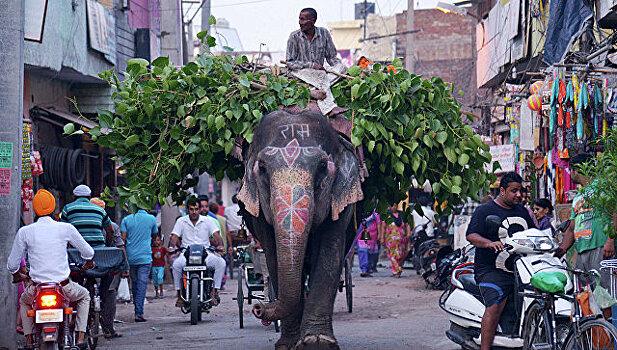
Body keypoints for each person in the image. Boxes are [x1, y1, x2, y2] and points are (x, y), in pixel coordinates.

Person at [7, 189, 95, 349]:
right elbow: (88, 252)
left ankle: (28, 342)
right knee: (85, 296)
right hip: (63, 287)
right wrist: (88, 262)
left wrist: (17, 274)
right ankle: (81, 339)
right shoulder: (66, 228)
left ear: (35, 209)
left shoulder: (25, 232)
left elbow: (12, 265)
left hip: (36, 289)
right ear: (54, 209)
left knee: (24, 302)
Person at [465, 172, 536, 350]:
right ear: (502, 191)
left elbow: (534, 234)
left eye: (520, 191)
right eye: (514, 191)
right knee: (496, 303)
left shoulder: (522, 211)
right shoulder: (485, 210)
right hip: (491, 270)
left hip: (521, 270)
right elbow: (471, 235)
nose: (519, 195)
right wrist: (489, 243)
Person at [555, 153, 615, 290]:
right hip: (583, 249)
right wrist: (562, 249)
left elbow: (614, 212)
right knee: (586, 296)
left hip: (601, 247)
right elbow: (572, 227)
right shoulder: (579, 196)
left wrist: (610, 241)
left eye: (570, 170)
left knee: (605, 294)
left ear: (575, 170)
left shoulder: (603, 187)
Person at [170, 196, 226, 307]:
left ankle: (214, 292)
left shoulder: (208, 221)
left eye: (196, 209)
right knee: (176, 265)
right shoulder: (181, 221)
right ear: (187, 210)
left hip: (205, 252)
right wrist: (172, 247)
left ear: (199, 209)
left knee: (221, 263)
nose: (194, 212)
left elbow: (216, 235)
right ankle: (179, 295)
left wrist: (220, 245)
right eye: (191, 209)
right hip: (186, 252)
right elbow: (174, 237)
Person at [90, 197, 127, 339]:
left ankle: (107, 327)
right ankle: (105, 328)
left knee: (109, 294)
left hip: (102, 266)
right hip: (97, 265)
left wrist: (125, 266)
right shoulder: (111, 226)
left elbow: (120, 246)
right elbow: (120, 246)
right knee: (107, 294)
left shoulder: (112, 226)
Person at [120, 208, 158, 322]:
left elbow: (123, 239)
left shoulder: (126, 220)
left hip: (131, 257)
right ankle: (138, 312)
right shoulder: (151, 219)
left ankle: (137, 308)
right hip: (145, 256)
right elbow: (155, 235)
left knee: (135, 283)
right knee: (142, 284)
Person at [379, 203, 411, 278]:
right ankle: (396, 270)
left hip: (402, 240)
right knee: (393, 255)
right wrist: (381, 237)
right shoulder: (387, 216)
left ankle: (399, 268)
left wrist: (409, 232)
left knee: (402, 255)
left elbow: (407, 224)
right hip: (391, 240)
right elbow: (383, 227)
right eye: (392, 206)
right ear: (389, 207)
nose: (394, 207)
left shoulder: (402, 214)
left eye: (395, 205)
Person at [357, 210, 381, 277]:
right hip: (361, 234)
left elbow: (378, 223)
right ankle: (364, 270)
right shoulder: (361, 209)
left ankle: (368, 269)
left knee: (371, 253)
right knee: (362, 252)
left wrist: (380, 234)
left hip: (372, 236)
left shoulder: (375, 212)